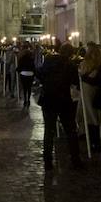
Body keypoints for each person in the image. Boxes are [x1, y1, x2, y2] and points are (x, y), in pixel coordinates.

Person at [37, 42, 83, 170]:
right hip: (64, 101)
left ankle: (47, 162)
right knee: (70, 130)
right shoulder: (70, 65)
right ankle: (75, 160)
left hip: (48, 99)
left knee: (49, 131)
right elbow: (75, 83)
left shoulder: (48, 60)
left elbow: (39, 73)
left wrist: (46, 83)